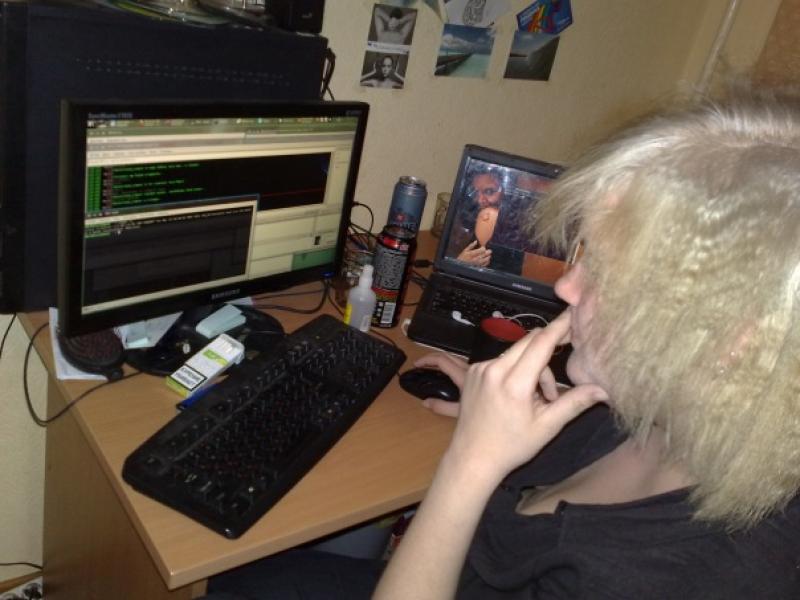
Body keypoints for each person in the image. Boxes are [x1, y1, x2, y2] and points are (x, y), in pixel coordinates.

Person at [203, 89, 800, 598]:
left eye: (608, 276)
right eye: (585, 254)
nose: (566, 286)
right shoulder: (655, 408)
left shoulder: (683, 577)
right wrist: (520, 417)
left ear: (731, 338)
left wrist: (472, 460)